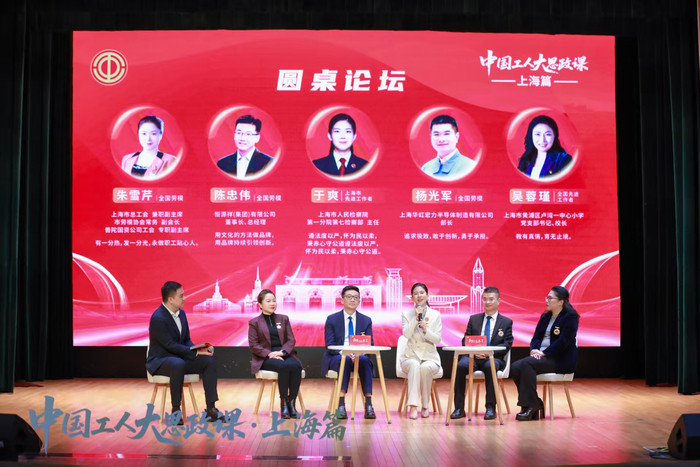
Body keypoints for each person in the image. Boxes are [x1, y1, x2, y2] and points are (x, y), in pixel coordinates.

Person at [146, 281, 225, 423]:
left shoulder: (181, 313)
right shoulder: (158, 318)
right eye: (181, 296)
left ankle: (211, 409)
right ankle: (176, 411)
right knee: (177, 364)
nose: (185, 298)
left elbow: (186, 340)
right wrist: (194, 353)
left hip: (179, 358)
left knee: (208, 361)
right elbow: (169, 345)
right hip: (161, 360)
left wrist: (198, 349)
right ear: (170, 299)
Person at [510, 286, 579, 421]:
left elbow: (563, 342)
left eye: (550, 298)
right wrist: (534, 350)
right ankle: (533, 403)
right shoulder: (545, 317)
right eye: (547, 297)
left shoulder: (570, 317)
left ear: (561, 302)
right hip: (541, 356)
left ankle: (530, 405)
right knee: (515, 367)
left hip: (560, 359)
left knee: (527, 364)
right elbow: (536, 338)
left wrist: (544, 353)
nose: (547, 300)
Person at [450, 286, 513, 421]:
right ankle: (459, 408)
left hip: (493, 358)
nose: (487, 302)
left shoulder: (506, 322)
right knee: (460, 367)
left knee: (490, 367)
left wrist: (488, 353)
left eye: (491, 299)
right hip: (473, 356)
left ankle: (490, 408)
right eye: (485, 299)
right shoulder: (474, 319)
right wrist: (475, 351)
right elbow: (465, 340)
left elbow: (507, 344)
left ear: (498, 301)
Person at [321, 285, 376, 419]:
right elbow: (329, 345)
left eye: (356, 297)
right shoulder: (332, 319)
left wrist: (358, 353)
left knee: (364, 360)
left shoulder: (366, 320)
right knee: (344, 360)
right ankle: (341, 404)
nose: (352, 300)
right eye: (349, 297)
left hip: (359, 356)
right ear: (342, 300)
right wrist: (344, 352)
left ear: (359, 300)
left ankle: (369, 404)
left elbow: (370, 343)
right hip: (337, 356)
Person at [248, 289, 303, 419]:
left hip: (284, 353)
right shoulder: (254, 322)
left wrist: (283, 352)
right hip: (266, 357)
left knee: (296, 366)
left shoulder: (283, 319)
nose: (272, 303)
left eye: (274, 300)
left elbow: (291, 339)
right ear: (260, 304)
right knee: (283, 367)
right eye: (268, 301)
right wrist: (269, 354)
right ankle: (283, 404)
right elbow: (253, 345)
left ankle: (291, 403)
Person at [399, 283, 442, 419]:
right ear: (412, 297)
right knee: (414, 365)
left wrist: (426, 330)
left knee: (425, 367)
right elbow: (406, 334)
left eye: (422, 292)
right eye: (416, 293)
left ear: (427, 296)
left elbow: (437, 339)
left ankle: (425, 405)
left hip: (430, 357)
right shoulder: (406, 314)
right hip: (410, 357)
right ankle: (413, 406)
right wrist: (415, 319)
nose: (419, 295)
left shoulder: (435, 314)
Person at [421, 115, 476, 180]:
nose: (441, 139)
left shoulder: (470, 167)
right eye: (436, 134)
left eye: (446, 134)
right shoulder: (426, 168)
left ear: (456, 137)